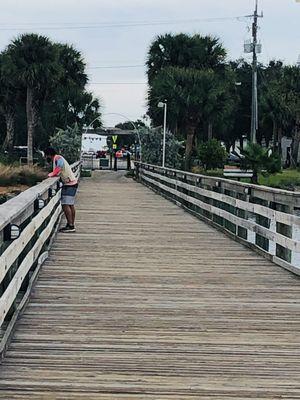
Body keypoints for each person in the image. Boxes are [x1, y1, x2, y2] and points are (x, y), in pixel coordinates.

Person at [44, 147, 78, 233]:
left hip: (70, 184)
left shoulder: (58, 158)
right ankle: (70, 224)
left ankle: (71, 226)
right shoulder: (58, 158)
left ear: (48, 154)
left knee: (66, 205)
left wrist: (51, 174)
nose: (45, 157)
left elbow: (59, 167)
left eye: (46, 155)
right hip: (71, 183)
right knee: (69, 205)